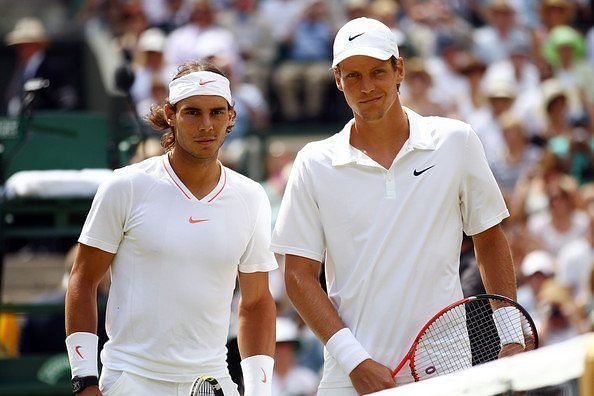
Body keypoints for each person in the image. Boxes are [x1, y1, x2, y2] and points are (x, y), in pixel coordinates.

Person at [271, 17, 523, 395]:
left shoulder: (456, 140)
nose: (367, 86)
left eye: (377, 72)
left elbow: (489, 239)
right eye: (353, 76)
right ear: (337, 80)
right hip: (348, 376)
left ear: (399, 69)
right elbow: (298, 276)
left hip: (447, 369)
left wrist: (511, 336)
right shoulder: (312, 162)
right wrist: (355, 361)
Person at [65, 61, 277, 396]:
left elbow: (256, 303)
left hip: (214, 379)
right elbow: (83, 280)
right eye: (192, 112)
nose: (206, 124)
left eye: (216, 112)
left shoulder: (251, 196)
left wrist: (259, 391)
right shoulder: (126, 186)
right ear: (170, 114)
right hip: (131, 379)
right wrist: (84, 380)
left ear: (231, 116)